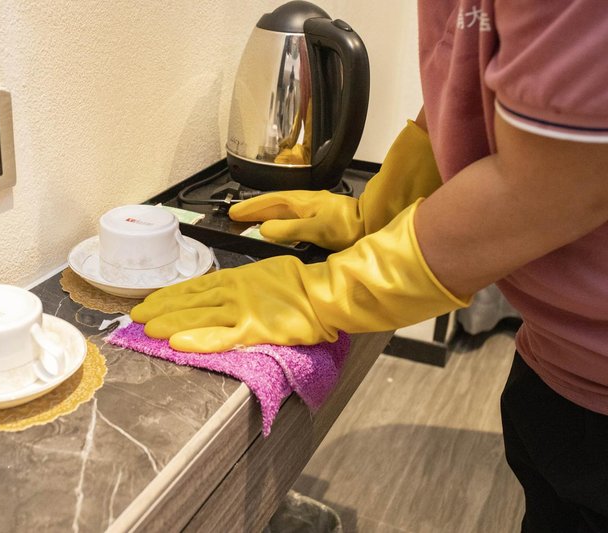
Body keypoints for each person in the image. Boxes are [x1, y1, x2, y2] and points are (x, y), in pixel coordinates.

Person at [132, 1, 608, 529]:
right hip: (560, 362)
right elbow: (470, 86)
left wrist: (321, 294)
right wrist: (378, 212)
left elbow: (554, 183)